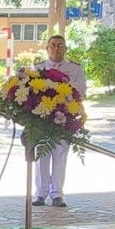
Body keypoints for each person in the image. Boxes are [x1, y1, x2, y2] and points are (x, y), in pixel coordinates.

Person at [33, 34, 86, 208]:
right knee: (41, 156)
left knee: (60, 155)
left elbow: (81, 93)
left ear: (65, 48)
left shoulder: (75, 69)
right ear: (47, 48)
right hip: (43, 116)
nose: (56, 48)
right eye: (53, 45)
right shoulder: (38, 68)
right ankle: (40, 193)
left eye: (60, 45)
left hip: (65, 116)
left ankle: (57, 194)